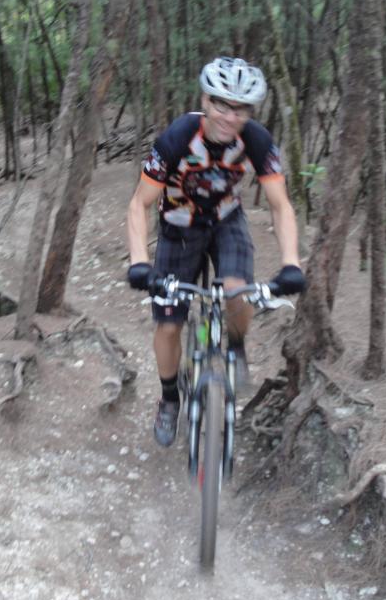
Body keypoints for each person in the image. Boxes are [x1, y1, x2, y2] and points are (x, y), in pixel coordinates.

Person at [126, 56, 305, 447]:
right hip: (179, 226)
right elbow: (139, 204)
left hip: (226, 221)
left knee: (239, 290)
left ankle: (236, 348)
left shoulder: (256, 139)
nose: (229, 116)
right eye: (222, 104)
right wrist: (140, 262)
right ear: (205, 101)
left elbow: (280, 205)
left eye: (240, 108)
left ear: (250, 111)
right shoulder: (177, 137)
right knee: (169, 323)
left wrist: (291, 263)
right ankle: (169, 398)